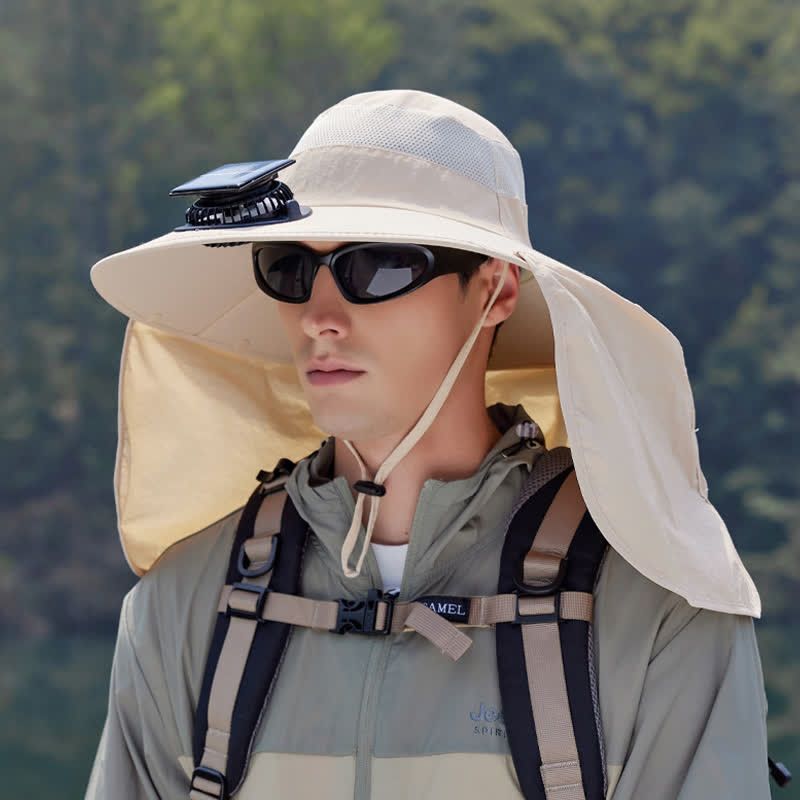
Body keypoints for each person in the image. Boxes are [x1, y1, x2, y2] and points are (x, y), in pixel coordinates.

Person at [85, 90, 771, 799]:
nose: (320, 316)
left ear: (495, 290)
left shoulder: (659, 611)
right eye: (290, 268)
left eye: (376, 266)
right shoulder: (181, 608)